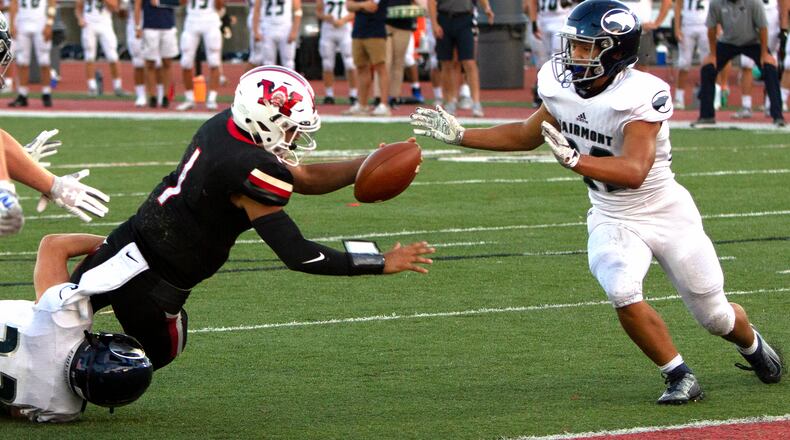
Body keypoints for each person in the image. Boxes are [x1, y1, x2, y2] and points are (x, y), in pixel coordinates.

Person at [410, 0, 784, 404]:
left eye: (586, 47)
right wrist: (462, 135)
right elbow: (526, 133)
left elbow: (635, 169)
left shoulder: (640, 94)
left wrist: (576, 160)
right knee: (621, 289)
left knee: (715, 317)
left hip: (665, 210)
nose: (574, 54)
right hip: (611, 213)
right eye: (574, 45)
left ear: (615, 51)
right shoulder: (560, 86)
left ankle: (752, 345)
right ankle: (678, 374)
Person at [67, 65, 435, 371]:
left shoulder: (227, 124)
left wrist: (366, 165)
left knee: (59, 321)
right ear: (266, 118)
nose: (294, 135)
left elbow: (303, 177)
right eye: (289, 126)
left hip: (128, 242)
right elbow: (299, 254)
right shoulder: (250, 167)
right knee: (135, 365)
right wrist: (378, 261)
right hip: (160, 285)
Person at [0, 233, 153, 422]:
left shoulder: (64, 319)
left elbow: (53, 245)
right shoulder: (63, 410)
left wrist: (112, 245)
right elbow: (16, 411)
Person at [695, 0, 786, 126]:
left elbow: (762, 28)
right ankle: (706, 115)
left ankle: (778, 115)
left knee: (770, 69)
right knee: (708, 69)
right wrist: (713, 55)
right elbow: (711, 28)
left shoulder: (754, 3)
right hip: (727, 41)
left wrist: (764, 54)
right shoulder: (716, 3)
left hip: (753, 42)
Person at [427, 0, 493, 117]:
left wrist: (487, 8)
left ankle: (476, 102)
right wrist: (434, 24)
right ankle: (450, 101)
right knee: (446, 63)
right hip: (444, 18)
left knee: (469, 62)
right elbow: (431, 2)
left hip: (465, 19)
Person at [732, 0, 787, 118]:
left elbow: (784, 4)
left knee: (770, 64)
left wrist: (783, 28)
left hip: (769, 18)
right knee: (746, 63)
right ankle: (746, 105)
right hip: (750, 16)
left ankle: (770, 104)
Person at [344, 0, 391, 115]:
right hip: (358, 31)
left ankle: (384, 104)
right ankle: (362, 104)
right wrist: (362, 5)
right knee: (361, 68)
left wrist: (358, 6)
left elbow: (372, 6)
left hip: (375, 32)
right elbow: (349, 6)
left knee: (380, 67)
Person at [176, 0, 224, 111]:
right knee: (186, 62)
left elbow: (219, 6)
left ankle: (212, 98)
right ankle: (189, 98)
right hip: (192, 21)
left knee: (214, 61)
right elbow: (181, 2)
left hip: (210, 21)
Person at [7, 0, 56, 107]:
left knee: (44, 60)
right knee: (22, 61)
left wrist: (49, 23)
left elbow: (52, 3)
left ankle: (46, 93)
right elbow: (14, 3)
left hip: (40, 23)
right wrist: (12, 24)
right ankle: (22, 94)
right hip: (22, 23)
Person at [75, 0, 125, 97]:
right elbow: (79, 5)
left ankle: (117, 86)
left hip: (105, 24)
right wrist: (80, 18)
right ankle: (92, 86)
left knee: (113, 56)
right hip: (88, 24)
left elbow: (115, 7)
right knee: (89, 56)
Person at [134, 0, 178, 108]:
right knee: (150, 63)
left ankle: (165, 96)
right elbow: (138, 4)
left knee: (167, 62)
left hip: (168, 25)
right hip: (150, 25)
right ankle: (152, 95)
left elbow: (180, 2)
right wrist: (137, 26)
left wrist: (160, 2)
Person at [316, 0, 359, 105]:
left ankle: (353, 94)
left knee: (350, 63)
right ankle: (329, 94)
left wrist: (343, 20)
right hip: (328, 30)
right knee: (327, 64)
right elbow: (318, 12)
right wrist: (326, 17)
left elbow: (354, 11)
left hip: (344, 30)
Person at [672, 0, 710, 109]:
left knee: (708, 64)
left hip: (705, 25)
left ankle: (709, 96)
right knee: (684, 63)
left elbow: (715, 6)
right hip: (687, 25)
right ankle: (679, 98)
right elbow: (678, 5)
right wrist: (677, 28)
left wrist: (717, 26)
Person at [619, 0, 671, 69]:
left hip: (642, 32)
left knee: (641, 67)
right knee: (615, 66)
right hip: (616, 31)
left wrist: (657, 23)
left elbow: (667, 1)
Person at [251, 0, 302, 70]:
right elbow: (256, 10)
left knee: (288, 62)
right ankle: (269, 77)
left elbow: (298, 11)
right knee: (267, 62)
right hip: (267, 27)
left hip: (285, 28)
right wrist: (256, 31)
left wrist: (294, 31)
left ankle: (287, 77)